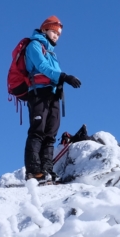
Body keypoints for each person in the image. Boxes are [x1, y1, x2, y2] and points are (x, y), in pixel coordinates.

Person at [23, 16, 81, 183]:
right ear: (44, 30)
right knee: (37, 131)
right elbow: (41, 67)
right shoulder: (34, 46)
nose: (56, 36)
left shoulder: (51, 53)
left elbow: (51, 72)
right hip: (38, 94)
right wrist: (63, 76)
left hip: (52, 95)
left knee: (50, 134)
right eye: (53, 32)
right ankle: (33, 170)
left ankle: (47, 170)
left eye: (58, 34)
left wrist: (60, 82)